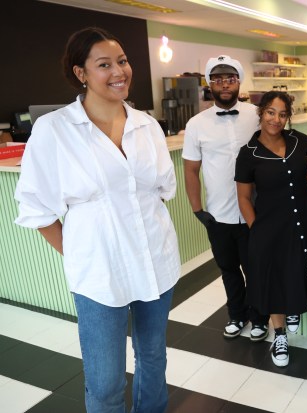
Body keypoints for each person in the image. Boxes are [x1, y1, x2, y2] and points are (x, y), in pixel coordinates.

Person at [14, 27, 181, 412]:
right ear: (81, 73)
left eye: (122, 61)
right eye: (104, 64)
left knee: (153, 359)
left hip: (156, 261)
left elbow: (161, 191)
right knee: (105, 382)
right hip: (99, 274)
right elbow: (38, 209)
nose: (118, 71)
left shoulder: (147, 125)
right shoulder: (55, 129)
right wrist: (77, 255)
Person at [183, 55, 270, 341]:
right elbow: (191, 170)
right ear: (209, 84)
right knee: (229, 270)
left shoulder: (256, 114)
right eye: (218, 79)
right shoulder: (196, 124)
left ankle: (259, 318)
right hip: (218, 215)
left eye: (229, 78)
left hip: (254, 212)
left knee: (255, 269)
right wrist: (198, 211)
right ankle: (237, 315)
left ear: (238, 82)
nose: (224, 84)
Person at [235, 91, 307, 367]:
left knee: (301, 267)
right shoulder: (248, 154)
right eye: (271, 112)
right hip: (269, 225)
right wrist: (256, 228)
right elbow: (243, 197)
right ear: (261, 113)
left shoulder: (298, 140)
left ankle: (294, 306)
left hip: (303, 219)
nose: (276, 119)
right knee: (274, 278)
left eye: (282, 114)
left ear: (288, 117)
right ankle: (280, 335)